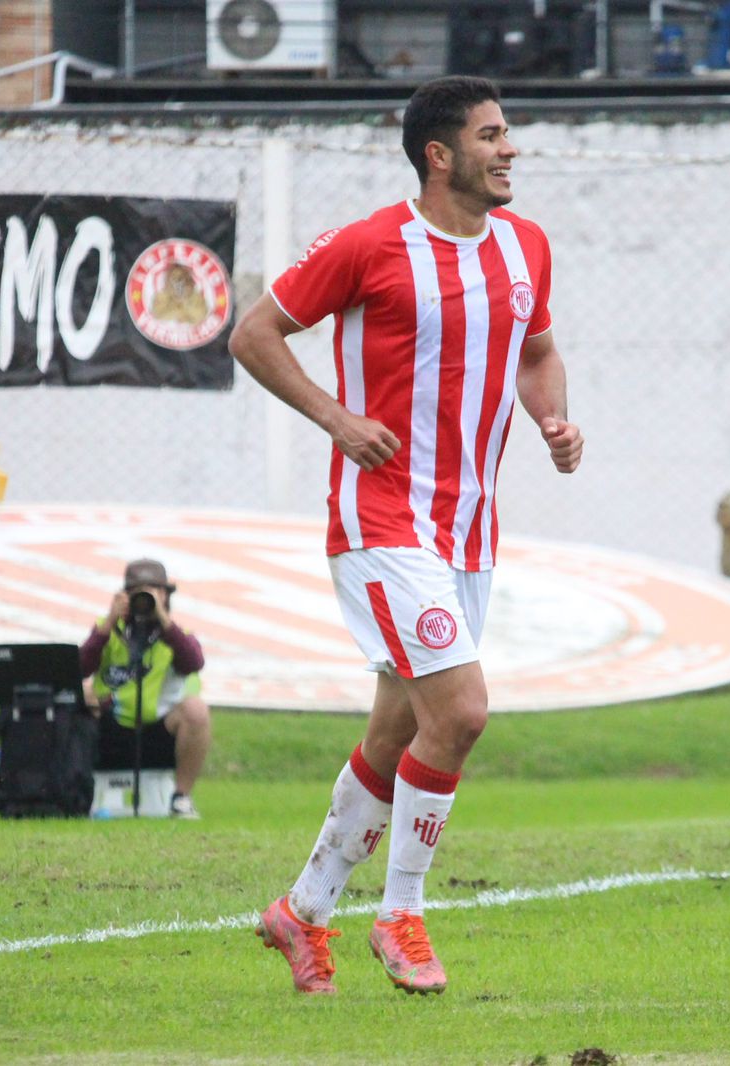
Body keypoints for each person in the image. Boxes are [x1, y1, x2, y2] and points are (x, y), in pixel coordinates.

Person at [227, 75, 583, 996]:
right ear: (440, 155)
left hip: (469, 533)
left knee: (397, 730)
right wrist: (337, 419)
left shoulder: (525, 248)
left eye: (510, 134)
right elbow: (255, 334)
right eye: (492, 135)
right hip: (383, 521)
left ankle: (300, 913)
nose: (510, 150)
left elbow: (538, 354)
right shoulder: (369, 244)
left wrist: (554, 423)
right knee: (460, 715)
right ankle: (402, 914)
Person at [79, 558, 210, 819]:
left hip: (156, 729)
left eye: (152, 593)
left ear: (166, 596)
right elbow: (80, 668)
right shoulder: (108, 628)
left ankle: (181, 797)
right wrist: (108, 625)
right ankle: (74, 790)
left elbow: (194, 663)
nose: (144, 601)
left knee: (196, 710)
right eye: (138, 593)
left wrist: (164, 622)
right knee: (79, 695)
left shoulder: (176, 634)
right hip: (107, 725)